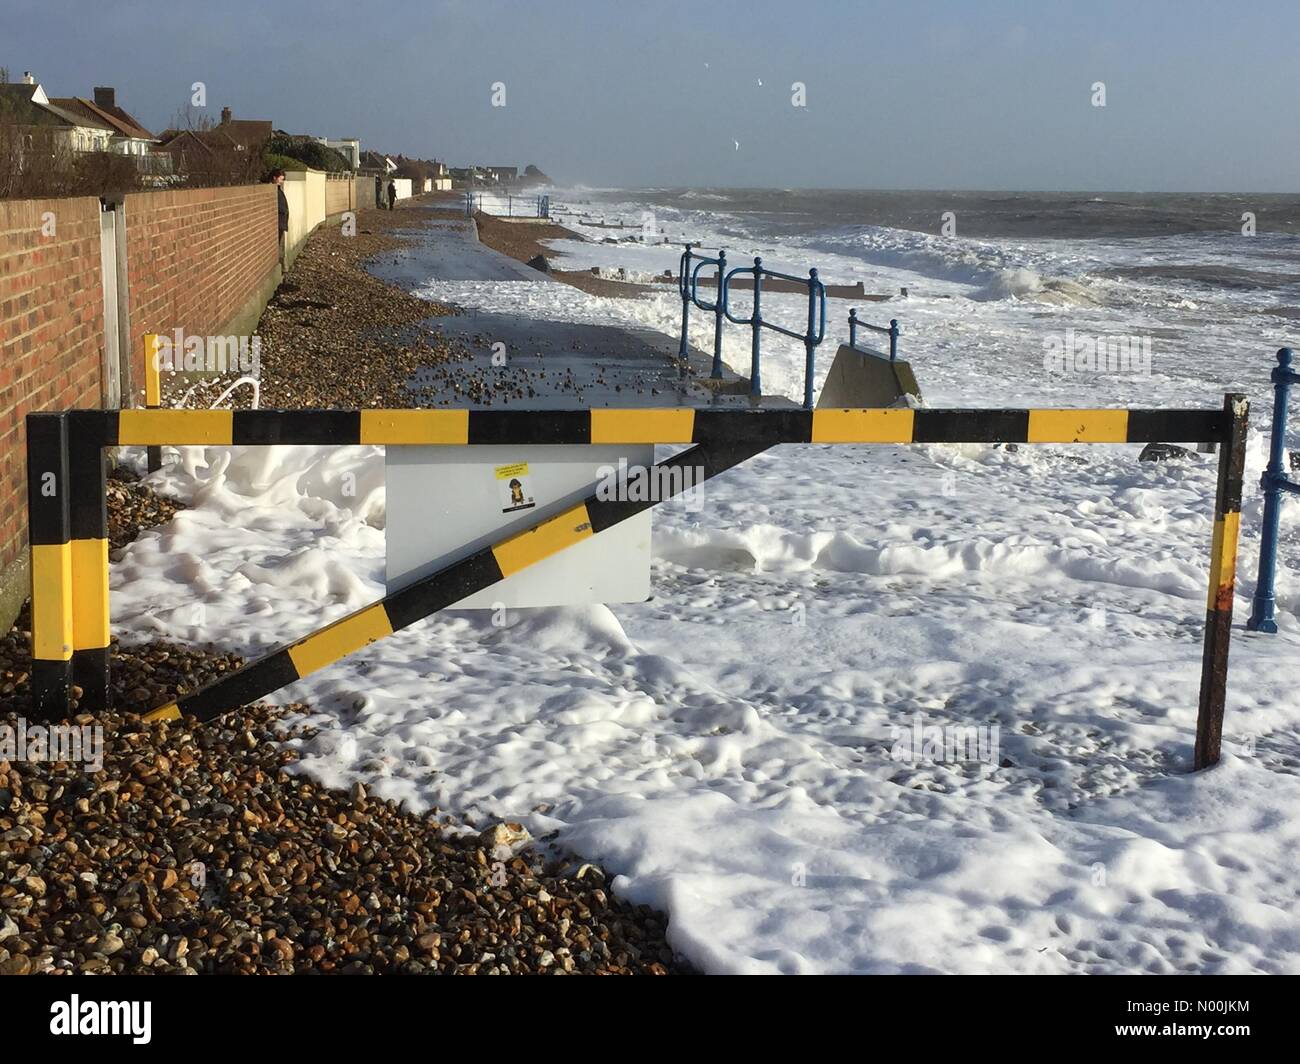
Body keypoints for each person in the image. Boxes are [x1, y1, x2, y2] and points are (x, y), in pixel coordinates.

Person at [270, 168, 288, 272]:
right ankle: (280, 267)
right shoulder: (274, 190)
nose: (282, 181)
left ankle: (282, 267)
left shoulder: (278, 190)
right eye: (281, 179)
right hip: (279, 222)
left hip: (281, 222)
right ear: (274, 178)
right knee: (278, 245)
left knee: (280, 245)